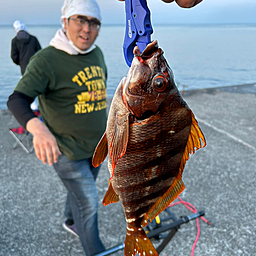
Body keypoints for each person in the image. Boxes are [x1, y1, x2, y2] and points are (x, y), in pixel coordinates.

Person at [7, 0, 107, 255]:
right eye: (80, 20)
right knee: (89, 204)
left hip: (97, 147)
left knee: (78, 193)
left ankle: (70, 222)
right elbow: (17, 99)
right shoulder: (46, 60)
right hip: (66, 149)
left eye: (94, 22)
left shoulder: (96, 53)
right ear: (65, 22)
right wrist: (38, 129)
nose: (87, 29)